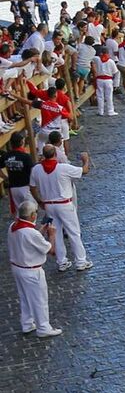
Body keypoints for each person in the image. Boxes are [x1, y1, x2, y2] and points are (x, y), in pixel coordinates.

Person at [28, 145, 91, 272]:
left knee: (56, 234)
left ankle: (61, 261)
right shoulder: (63, 168)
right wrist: (86, 160)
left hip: (49, 205)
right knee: (73, 232)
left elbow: (32, 187)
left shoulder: (36, 170)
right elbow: (84, 171)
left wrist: (39, 200)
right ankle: (80, 261)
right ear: (55, 154)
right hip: (64, 204)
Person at [8, 199, 60, 337]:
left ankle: (27, 323)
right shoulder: (31, 233)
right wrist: (52, 235)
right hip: (31, 270)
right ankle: (43, 327)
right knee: (39, 299)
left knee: (25, 297)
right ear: (32, 215)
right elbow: (51, 251)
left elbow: (31, 242)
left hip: (17, 268)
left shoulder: (13, 226)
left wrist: (41, 231)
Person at [0, 132, 33, 215]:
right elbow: (32, 173)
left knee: (19, 212)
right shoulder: (26, 157)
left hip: (13, 187)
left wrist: (4, 177)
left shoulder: (6, 156)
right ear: (22, 142)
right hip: (26, 187)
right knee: (31, 211)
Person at [91, 46, 119, 116]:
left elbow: (92, 58)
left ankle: (100, 111)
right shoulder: (111, 61)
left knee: (100, 96)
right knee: (109, 96)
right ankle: (110, 111)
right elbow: (115, 72)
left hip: (99, 79)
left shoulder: (97, 59)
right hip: (108, 80)